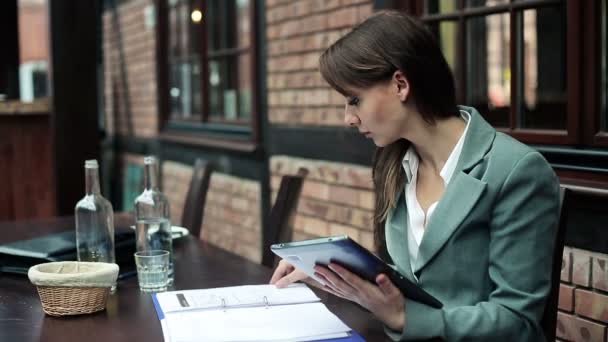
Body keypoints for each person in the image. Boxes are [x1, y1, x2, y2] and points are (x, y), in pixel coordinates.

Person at [269, 10, 560, 341]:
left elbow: (517, 321)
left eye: (354, 100)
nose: (349, 118)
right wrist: (329, 270)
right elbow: (413, 283)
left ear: (400, 84)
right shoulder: (395, 164)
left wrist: (404, 317)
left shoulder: (516, 170)